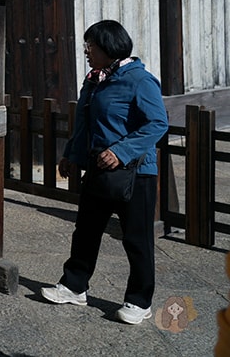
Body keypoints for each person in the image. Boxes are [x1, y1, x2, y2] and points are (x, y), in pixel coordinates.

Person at [40, 20, 168, 325]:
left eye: (91, 46)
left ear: (109, 47)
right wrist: (71, 154)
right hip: (99, 168)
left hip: (136, 173)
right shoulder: (95, 79)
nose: (86, 51)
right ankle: (74, 286)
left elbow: (157, 123)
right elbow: (85, 121)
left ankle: (139, 301)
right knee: (85, 231)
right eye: (86, 45)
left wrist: (121, 151)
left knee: (137, 239)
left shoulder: (139, 80)